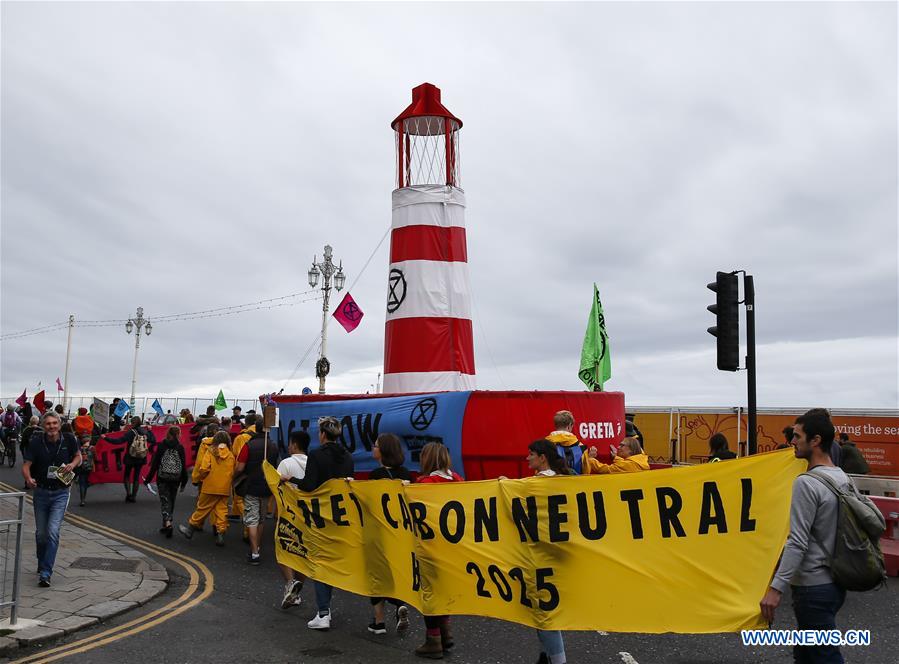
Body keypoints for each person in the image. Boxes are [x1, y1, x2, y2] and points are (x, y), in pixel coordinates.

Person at [760, 408, 851, 664]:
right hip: (835, 584)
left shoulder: (806, 483)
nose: (792, 441)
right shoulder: (842, 478)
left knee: (825, 656)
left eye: (797, 436)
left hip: (813, 587)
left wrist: (776, 589)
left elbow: (797, 542)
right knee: (806, 654)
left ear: (816, 440)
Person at [295, 416, 354, 630]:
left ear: (322, 434)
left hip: (320, 516)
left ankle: (323, 612)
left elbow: (309, 485)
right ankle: (325, 609)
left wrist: (290, 480)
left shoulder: (316, 455)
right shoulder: (348, 457)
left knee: (320, 563)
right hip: (341, 517)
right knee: (333, 562)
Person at [519, 439, 570, 664]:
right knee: (543, 611)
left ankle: (557, 660)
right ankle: (545, 656)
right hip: (559, 553)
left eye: (531, 454)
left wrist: (503, 486)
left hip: (541, 555)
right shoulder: (564, 481)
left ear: (542, 457)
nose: (527, 458)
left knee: (545, 613)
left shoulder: (534, 484)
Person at [21, 412, 81, 587]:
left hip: (60, 493)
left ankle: (46, 573)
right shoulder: (36, 442)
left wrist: (72, 464)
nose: (52, 427)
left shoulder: (69, 439)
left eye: (55, 423)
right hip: (41, 493)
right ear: (43, 425)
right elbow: (26, 465)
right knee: (41, 534)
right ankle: (42, 562)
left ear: (60, 424)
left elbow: (78, 456)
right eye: (48, 424)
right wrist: (28, 478)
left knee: (53, 531)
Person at [414, 442, 461, 658]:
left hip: (431, 547)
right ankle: (446, 631)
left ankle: (433, 639)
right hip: (453, 547)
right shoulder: (458, 480)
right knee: (444, 590)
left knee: (430, 593)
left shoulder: (425, 483)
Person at [367, 433, 411, 635]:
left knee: (376, 575)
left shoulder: (375, 476)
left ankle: (379, 622)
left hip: (379, 532)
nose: (372, 448)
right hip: (402, 533)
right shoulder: (407, 475)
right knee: (397, 572)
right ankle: (400, 602)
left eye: (375, 446)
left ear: (383, 451)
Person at [179, 431, 235, 546]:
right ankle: (220, 534)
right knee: (222, 511)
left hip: (209, 486)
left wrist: (201, 478)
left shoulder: (210, 452)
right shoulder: (230, 454)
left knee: (202, 509)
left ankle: (190, 529)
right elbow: (232, 472)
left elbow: (204, 469)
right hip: (224, 488)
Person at [276, 430, 310, 609]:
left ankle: (290, 583)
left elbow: (276, 487)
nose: (288, 446)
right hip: (308, 515)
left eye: (290, 443)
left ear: (295, 445)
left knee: (283, 549)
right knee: (303, 553)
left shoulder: (286, 463)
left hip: (288, 513)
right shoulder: (313, 463)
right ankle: (296, 592)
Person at [235, 424, 279, 565]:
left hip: (251, 486)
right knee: (261, 519)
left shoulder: (249, 445)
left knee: (252, 518)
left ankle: (254, 553)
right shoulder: (273, 446)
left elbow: (240, 467)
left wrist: (234, 477)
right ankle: (257, 547)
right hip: (266, 487)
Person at [145, 426, 189, 537]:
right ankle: (167, 523)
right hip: (175, 479)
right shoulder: (180, 447)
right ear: (178, 434)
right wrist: (184, 481)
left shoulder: (161, 446)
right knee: (171, 501)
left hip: (163, 478)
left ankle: (167, 524)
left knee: (165, 501)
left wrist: (148, 479)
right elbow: (183, 466)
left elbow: (155, 464)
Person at [119, 416, 156, 502]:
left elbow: (119, 441)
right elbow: (153, 440)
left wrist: (106, 438)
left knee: (127, 476)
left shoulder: (130, 432)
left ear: (132, 423)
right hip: (141, 457)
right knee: (136, 477)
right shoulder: (145, 431)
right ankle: (134, 497)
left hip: (130, 457)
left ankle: (128, 494)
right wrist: (150, 431)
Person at [229, 414, 257, 523]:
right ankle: (235, 514)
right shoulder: (264, 435)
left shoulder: (242, 437)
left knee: (239, 496)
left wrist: (235, 473)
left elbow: (237, 454)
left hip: (243, 470)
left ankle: (248, 527)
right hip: (258, 470)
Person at [581, 437, 649, 474]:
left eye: (622, 445)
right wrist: (615, 457)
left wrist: (590, 458)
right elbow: (626, 464)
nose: (618, 447)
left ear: (631, 450)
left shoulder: (627, 465)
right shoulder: (641, 461)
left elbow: (604, 469)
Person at [74, 431, 95, 507]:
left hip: (81, 467)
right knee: (87, 482)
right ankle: (87, 486)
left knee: (82, 483)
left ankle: (82, 500)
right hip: (89, 468)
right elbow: (96, 458)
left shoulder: (79, 448)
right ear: (89, 440)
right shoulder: (92, 448)